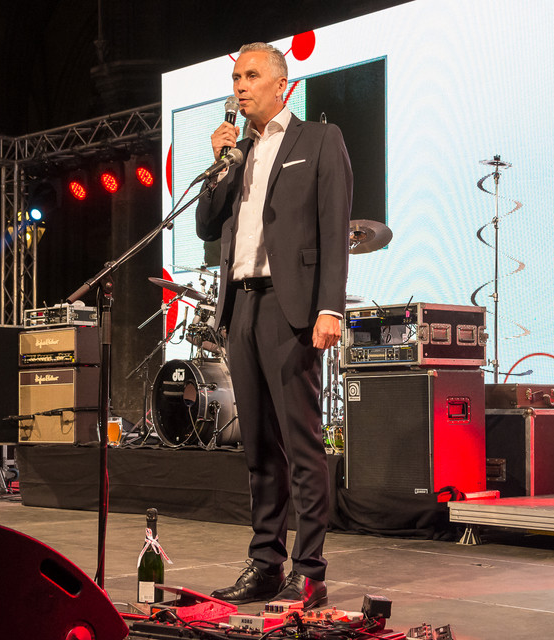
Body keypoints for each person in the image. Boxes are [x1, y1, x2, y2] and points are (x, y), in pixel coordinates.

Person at [195, 42, 353, 609]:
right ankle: (265, 563)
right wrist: (220, 162)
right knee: (258, 447)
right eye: (236, 76)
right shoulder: (237, 153)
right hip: (240, 306)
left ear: (281, 84)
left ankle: (309, 571)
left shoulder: (319, 140)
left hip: (292, 309)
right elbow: (205, 225)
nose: (240, 85)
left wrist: (330, 307)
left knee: (301, 444)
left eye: (251, 75)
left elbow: (334, 227)